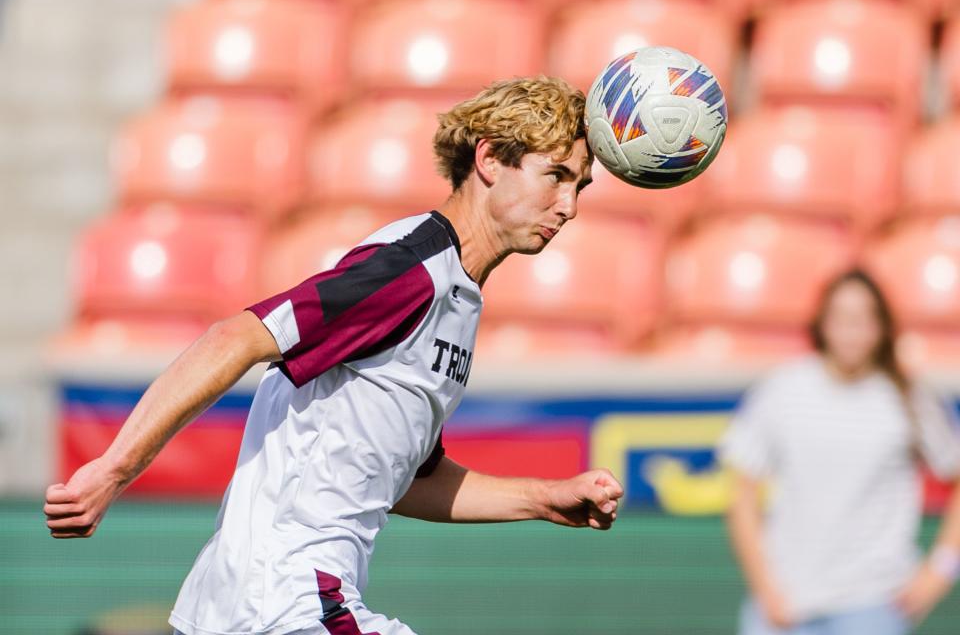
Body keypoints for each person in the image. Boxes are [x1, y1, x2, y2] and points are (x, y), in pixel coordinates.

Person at [43, 76, 623, 635]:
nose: (569, 206)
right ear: (491, 159)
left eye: (580, 186)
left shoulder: (456, 294)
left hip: (253, 606)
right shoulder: (410, 271)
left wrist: (544, 499)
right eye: (556, 176)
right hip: (288, 602)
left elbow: (401, 481)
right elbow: (236, 337)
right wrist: (115, 468)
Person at [722, 269, 960, 635]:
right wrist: (765, 587)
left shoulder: (908, 397)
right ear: (822, 324)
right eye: (841, 318)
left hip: (873, 607)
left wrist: (940, 571)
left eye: (863, 319)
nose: (851, 331)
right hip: (785, 608)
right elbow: (742, 495)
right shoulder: (783, 390)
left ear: (882, 328)